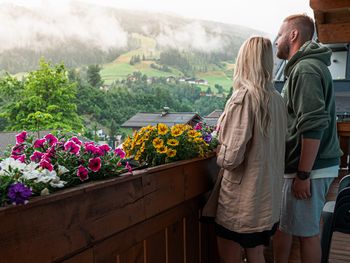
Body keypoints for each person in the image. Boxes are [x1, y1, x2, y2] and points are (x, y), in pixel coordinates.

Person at [208, 36, 287, 263]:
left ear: (244, 60)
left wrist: (217, 148)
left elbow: (231, 158)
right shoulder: (277, 100)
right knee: (256, 253)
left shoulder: (244, 98)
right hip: (266, 198)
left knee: (228, 249)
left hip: (242, 201)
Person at [273, 14, 342, 263]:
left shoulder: (306, 70)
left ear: (293, 35)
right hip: (301, 168)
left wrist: (303, 175)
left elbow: (313, 125)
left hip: (308, 170)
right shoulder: (304, 69)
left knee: (308, 234)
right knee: (286, 227)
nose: (277, 40)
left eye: (280, 34)